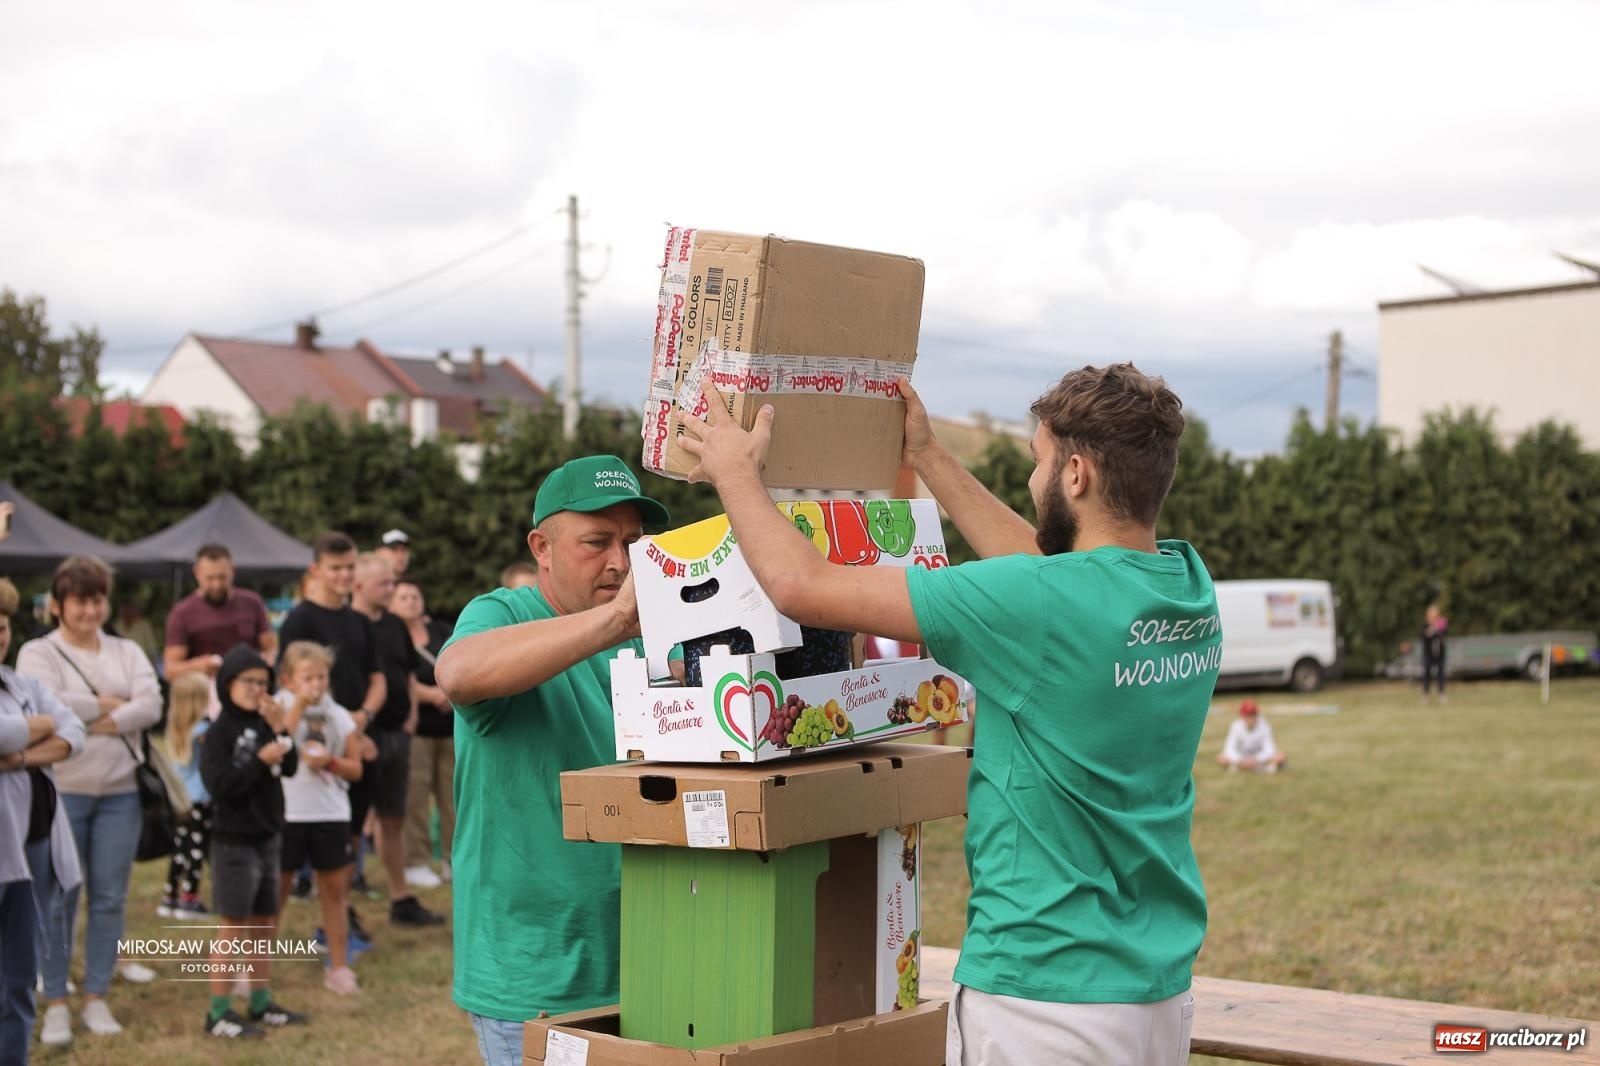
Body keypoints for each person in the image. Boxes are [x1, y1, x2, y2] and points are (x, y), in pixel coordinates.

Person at [681, 365, 1216, 1066]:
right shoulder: (1184, 586)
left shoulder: (1038, 602)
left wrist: (733, 472)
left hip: (1045, 1001)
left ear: (1076, 474)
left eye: (1039, 462)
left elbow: (799, 586)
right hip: (1156, 991)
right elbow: (1050, 570)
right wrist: (928, 456)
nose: (1033, 481)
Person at [435, 454, 671, 1066]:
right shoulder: (503, 614)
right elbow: (457, 673)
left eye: (633, 542)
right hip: (534, 971)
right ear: (541, 547)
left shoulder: (650, 632)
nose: (621, 561)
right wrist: (616, 620)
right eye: (597, 542)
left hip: (645, 954)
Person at [17, 555, 163, 1047]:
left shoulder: (125, 650)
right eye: (80, 601)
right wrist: (113, 707)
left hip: (121, 794)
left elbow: (153, 703)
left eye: (97, 599)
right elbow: (45, 704)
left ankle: (97, 994)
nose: (90, 610)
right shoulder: (39, 652)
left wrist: (85, 722)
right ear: (58, 605)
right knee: (59, 898)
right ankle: (56, 999)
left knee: (109, 898)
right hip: (63, 792)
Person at [275, 532, 385, 934]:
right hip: (312, 750)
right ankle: (266, 937)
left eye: (350, 567)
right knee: (289, 859)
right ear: (316, 570)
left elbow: (378, 679)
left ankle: (338, 915)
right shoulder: (299, 620)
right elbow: (292, 686)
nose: (344, 575)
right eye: (335, 568)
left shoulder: (360, 622)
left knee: (349, 836)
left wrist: (361, 720)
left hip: (357, 737)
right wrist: (339, 730)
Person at [198, 644, 306, 1038]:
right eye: (249, 682)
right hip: (234, 841)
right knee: (233, 926)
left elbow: (290, 766)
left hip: (268, 835)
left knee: (263, 924)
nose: (258, 690)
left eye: (264, 683)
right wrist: (259, 761)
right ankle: (218, 1012)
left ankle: (261, 1002)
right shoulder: (217, 732)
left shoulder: (266, 723)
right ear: (228, 684)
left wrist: (281, 728)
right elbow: (220, 785)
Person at [0, 577, 85, 1066]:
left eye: (2, 626)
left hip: (30, 850)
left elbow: (75, 730)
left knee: (19, 978)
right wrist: (41, 726)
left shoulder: (23, 684)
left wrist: (20, 757)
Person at [350, 553, 440, 927]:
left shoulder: (394, 625)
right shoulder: (348, 624)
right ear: (359, 586)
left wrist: (412, 716)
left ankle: (400, 897)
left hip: (398, 733)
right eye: (384, 583)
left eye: (392, 582)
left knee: (394, 817)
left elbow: (407, 674)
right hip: (361, 736)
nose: (391, 589)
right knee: (353, 822)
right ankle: (344, 897)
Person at [272, 641, 364, 995]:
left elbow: (356, 768)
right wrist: (298, 705)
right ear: (288, 680)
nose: (316, 685)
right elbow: (278, 742)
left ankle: (338, 966)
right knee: (276, 892)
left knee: (334, 892)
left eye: (321, 677)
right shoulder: (277, 707)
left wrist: (331, 762)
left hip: (330, 812)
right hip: (287, 812)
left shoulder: (338, 715)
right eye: (307, 678)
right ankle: (256, 968)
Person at [392, 577, 454, 888]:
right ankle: (415, 861)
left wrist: (451, 691)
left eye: (414, 596)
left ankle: (453, 860)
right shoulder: (390, 635)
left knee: (453, 797)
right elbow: (395, 676)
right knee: (415, 798)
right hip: (416, 729)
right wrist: (430, 695)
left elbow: (458, 660)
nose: (410, 602)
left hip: (450, 727)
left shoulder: (441, 630)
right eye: (402, 597)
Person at [164, 544, 277, 682]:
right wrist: (198, 666)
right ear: (197, 572)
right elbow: (170, 670)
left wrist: (266, 659)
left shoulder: (253, 603)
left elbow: (271, 650)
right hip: (205, 689)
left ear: (233, 570)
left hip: (249, 685)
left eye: (222, 577)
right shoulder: (181, 613)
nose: (216, 585)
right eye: (210, 578)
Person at [160, 672, 216, 919]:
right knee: (196, 848)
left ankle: (170, 895)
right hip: (201, 797)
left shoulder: (177, 729)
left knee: (181, 846)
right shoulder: (203, 730)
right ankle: (189, 897)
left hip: (181, 797)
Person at [1216, 699, 1287, 772]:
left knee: (1280, 757)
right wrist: (1240, 760)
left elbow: (1270, 749)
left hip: (1258, 758)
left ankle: (1240, 767)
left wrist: (1256, 759)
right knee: (1221, 757)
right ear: (1242, 716)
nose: (1250, 718)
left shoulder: (1265, 726)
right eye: (1248, 715)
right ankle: (1262, 767)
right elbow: (1229, 748)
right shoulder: (1235, 726)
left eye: (1253, 715)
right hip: (1242, 757)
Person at [1420, 603, 1448, 705]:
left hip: (1440, 654)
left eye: (1435, 615)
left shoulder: (1441, 625)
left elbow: (1444, 637)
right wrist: (1433, 630)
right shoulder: (1424, 626)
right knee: (1426, 675)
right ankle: (1425, 695)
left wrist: (1438, 630)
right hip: (1428, 654)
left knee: (1440, 675)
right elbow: (1424, 636)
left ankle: (1441, 694)